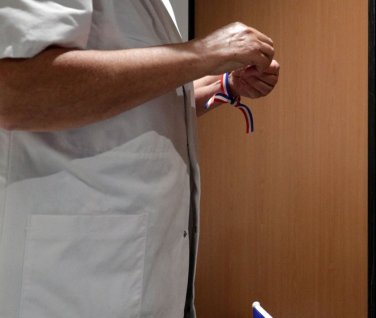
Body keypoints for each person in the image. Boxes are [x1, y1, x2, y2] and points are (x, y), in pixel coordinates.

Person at [0, 1, 279, 317]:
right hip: (75, 275)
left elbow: (133, 101)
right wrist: (202, 54)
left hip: (132, 269)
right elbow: (17, 92)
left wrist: (220, 84)